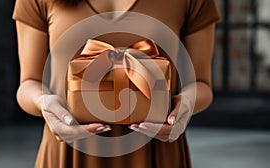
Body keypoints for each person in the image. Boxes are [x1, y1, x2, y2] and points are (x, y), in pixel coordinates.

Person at [13, 0, 220, 167]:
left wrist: (184, 105)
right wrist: (44, 103)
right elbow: (28, 84)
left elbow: (201, 84)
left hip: (157, 151)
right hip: (68, 153)